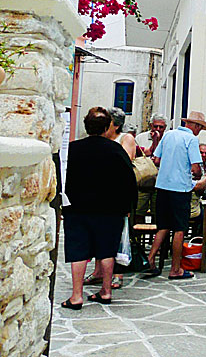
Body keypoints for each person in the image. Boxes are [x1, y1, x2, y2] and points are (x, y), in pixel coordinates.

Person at [61, 107, 137, 309]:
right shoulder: (116, 150)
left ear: (87, 126)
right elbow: (129, 180)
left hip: (77, 207)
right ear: (107, 127)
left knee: (78, 250)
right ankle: (106, 291)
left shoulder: (73, 149)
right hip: (109, 208)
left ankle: (76, 296)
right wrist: (126, 207)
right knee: (107, 250)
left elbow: (63, 176)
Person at [145, 110, 206, 279]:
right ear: (195, 126)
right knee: (179, 229)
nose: (199, 131)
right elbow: (196, 168)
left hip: (162, 186)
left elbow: (157, 159)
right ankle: (175, 268)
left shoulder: (168, 135)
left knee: (163, 226)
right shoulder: (191, 139)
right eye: (200, 128)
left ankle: (151, 259)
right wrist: (196, 174)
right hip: (180, 188)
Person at [83, 107, 136, 290]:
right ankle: (98, 271)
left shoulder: (126, 139)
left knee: (119, 236)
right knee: (99, 235)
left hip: (118, 194)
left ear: (116, 124)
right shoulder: (103, 139)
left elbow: (125, 165)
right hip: (99, 194)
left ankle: (117, 274)